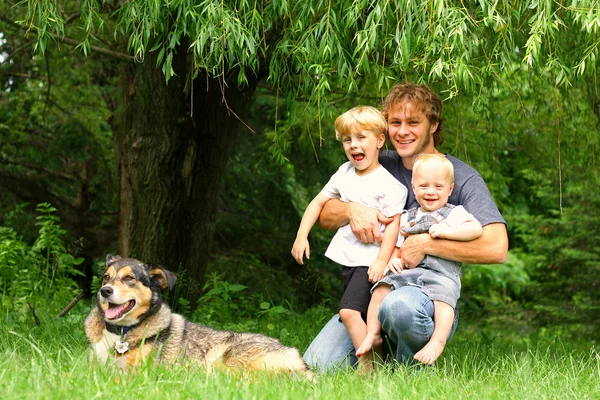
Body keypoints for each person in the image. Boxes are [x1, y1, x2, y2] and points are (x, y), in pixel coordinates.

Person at [303, 82, 508, 371]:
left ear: (433, 124)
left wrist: (425, 244)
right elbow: (324, 214)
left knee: (399, 308)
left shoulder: (458, 176)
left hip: (424, 295)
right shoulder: (376, 163)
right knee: (316, 367)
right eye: (395, 122)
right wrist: (351, 210)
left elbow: (497, 247)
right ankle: (380, 348)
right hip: (369, 289)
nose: (402, 131)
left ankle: (409, 372)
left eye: (413, 122)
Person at [291, 106, 408, 370]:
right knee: (356, 312)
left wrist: (381, 260)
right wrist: (302, 236)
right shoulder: (344, 173)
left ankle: (369, 361)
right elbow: (318, 203)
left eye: (361, 138)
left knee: (349, 311)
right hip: (352, 262)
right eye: (347, 140)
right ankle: (378, 354)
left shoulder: (389, 185)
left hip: (369, 262)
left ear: (380, 141)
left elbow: (394, 226)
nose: (354, 145)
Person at [356, 153, 482, 366]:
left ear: (450, 190)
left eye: (438, 187)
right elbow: (398, 246)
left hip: (441, 274)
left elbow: (475, 229)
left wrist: (446, 232)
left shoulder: (454, 214)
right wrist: (394, 261)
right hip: (409, 274)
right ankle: (372, 333)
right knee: (380, 288)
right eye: (423, 186)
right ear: (414, 188)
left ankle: (437, 342)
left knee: (443, 300)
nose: (430, 192)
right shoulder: (408, 217)